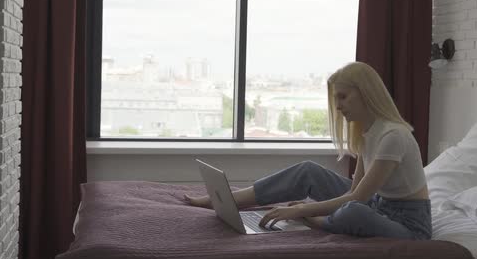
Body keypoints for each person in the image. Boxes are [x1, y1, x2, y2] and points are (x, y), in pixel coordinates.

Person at [185, 61, 432, 240]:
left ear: (366, 94)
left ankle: (318, 223)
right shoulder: (369, 133)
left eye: (343, 97)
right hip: (378, 204)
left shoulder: (394, 136)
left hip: (408, 224)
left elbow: (359, 199)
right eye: (336, 99)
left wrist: (302, 210)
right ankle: (227, 200)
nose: (338, 107)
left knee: (354, 212)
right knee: (308, 171)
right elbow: (357, 190)